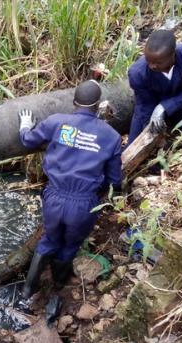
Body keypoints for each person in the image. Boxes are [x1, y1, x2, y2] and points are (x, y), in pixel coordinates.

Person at [18, 80, 123, 299]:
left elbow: (28, 141)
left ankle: (27, 290)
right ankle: (58, 285)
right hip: (84, 203)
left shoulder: (57, 122)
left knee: (49, 240)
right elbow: (114, 180)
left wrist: (25, 125)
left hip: (54, 197)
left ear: (74, 102)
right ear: (98, 106)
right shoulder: (111, 136)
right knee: (71, 244)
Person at [128, 29, 182, 145]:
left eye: (158, 62)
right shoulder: (137, 73)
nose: (152, 66)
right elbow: (145, 104)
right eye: (148, 60)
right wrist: (150, 130)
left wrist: (164, 107)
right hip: (151, 104)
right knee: (134, 149)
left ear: (173, 54)